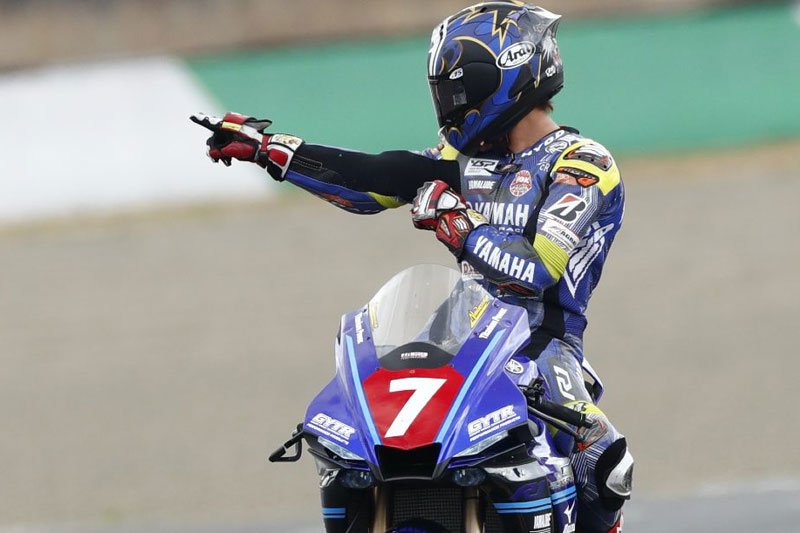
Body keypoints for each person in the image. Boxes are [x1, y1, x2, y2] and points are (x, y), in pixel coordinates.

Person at [192, 2, 632, 531]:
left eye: (460, 91)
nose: (450, 106)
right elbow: (373, 180)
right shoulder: (462, 159)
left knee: (606, 464)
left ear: (512, 73)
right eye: (444, 93)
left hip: (544, 345)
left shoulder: (583, 165)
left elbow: (538, 268)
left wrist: (460, 225)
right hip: (462, 337)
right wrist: (272, 151)